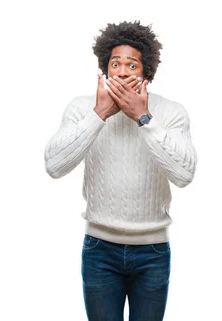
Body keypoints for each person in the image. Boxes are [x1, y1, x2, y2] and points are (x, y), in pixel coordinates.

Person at [44, 21, 197, 321]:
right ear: (105, 69)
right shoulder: (81, 108)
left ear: (146, 72)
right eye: (116, 64)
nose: (124, 72)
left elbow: (184, 174)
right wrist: (99, 114)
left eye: (132, 64)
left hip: (152, 251)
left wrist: (143, 117)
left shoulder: (171, 112)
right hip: (100, 251)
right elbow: (54, 165)